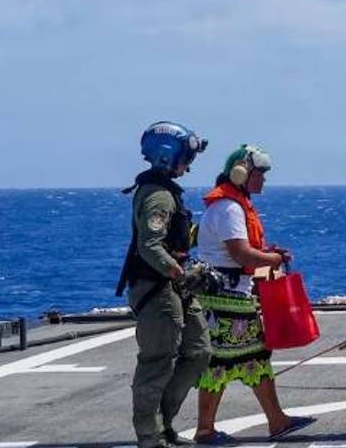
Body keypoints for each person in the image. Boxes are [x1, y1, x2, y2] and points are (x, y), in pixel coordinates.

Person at [192, 145, 314, 445]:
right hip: (226, 300)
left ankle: (276, 420)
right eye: (259, 174)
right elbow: (241, 254)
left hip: (231, 296)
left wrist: (267, 253)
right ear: (242, 173)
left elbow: (240, 252)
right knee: (220, 363)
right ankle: (206, 430)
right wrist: (272, 260)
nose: (263, 180)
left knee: (254, 358)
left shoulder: (233, 204)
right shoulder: (229, 208)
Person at [117, 121, 212, 448]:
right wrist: (179, 274)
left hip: (174, 286)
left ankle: (164, 425)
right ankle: (149, 436)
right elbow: (150, 246)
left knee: (198, 351)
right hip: (158, 289)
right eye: (186, 156)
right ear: (168, 156)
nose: (189, 163)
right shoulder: (158, 197)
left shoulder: (166, 193)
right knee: (157, 361)